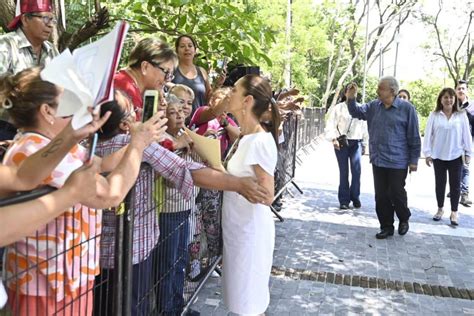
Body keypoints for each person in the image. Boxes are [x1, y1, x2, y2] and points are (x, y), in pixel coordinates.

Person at [0, 67, 167, 316]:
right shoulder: (35, 148)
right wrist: (138, 145)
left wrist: (140, 140)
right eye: (69, 100)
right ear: (47, 111)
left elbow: (101, 163)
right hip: (50, 284)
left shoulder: (47, 146)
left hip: (61, 279)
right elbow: (111, 193)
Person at [93, 92, 268, 316]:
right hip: (133, 249)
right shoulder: (135, 145)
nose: (138, 116)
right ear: (124, 123)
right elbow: (184, 169)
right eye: (132, 112)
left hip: (95, 253)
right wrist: (238, 184)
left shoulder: (85, 148)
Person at [221, 74, 280, 315]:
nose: (228, 94)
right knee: (240, 302)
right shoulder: (246, 138)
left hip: (249, 234)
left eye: (234, 90)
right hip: (238, 230)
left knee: (247, 305)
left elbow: (267, 196)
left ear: (246, 101)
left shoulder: (259, 141)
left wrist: (233, 183)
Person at [346, 76, 421, 239]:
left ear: (392, 91)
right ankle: (386, 226)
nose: (377, 91)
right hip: (379, 159)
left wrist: (414, 161)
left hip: (398, 160)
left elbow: (414, 136)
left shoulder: (407, 109)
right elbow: (356, 111)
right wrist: (351, 97)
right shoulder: (374, 106)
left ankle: (403, 217)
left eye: (381, 88)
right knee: (381, 196)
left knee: (396, 193)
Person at [423, 87, 471, 226]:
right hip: (438, 155)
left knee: (455, 185)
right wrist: (427, 153)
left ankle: (454, 212)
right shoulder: (434, 115)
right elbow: (428, 135)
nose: (448, 100)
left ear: (454, 99)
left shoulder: (461, 115)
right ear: (441, 100)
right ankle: (440, 209)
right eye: (445, 97)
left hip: (456, 155)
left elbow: (466, 135)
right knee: (440, 184)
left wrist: (468, 152)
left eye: (451, 97)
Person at [325, 84, 368, 209]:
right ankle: (344, 200)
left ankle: (355, 196)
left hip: (356, 142)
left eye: (354, 91)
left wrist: (364, 143)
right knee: (343, 171)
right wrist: (333, 138)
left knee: (356, 171)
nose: (352, 93)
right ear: (345, 92)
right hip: (342, 142)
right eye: (350, 90)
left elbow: (364, 126)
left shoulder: (360, 107)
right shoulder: (338, 108)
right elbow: (331, 124)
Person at [113, 37, 176, 121]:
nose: (167, 79)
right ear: (145, 67)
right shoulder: (125, 89)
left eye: (170, 74)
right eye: (166, 72)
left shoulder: (128, 83)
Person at [0, 0, 58, 76]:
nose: (50, 25)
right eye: (45, 18)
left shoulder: (51, 50)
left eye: (52, 20)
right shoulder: (6, 45)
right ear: (25, 20)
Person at [170, 35, 212, 115]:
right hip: (177, 122)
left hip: (199, 121)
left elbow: (208, 99)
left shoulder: (202, 71)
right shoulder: (171, 70)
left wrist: (218, 84)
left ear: (195, 50)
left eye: (190, 46)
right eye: (182, 46)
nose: (187, 49)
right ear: (177, 51)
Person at [456, 79, 473, 206]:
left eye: (463, 88)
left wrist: (466, 109)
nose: (461, 90)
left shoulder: (472, 106)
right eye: (459, 88)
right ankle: (455, 189)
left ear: (467, 91)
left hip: (467, 142)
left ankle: (464, 194)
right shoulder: (452, 105)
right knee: (454, 167)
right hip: (453, 142)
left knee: (465, 167)